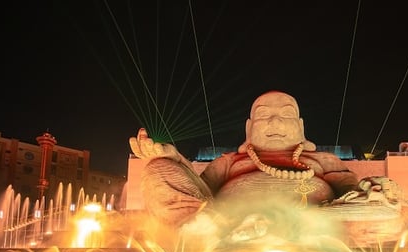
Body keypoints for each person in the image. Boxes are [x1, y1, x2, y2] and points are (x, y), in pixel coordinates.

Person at [129, 91, 361, 223]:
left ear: (300, 126)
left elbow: (356, 195)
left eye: (286, 115)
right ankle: (201, 231)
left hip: (316, 226)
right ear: (249, 128)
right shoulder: (230, 162)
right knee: (158, 168)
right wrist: (175, 159)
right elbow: (199, 191)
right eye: (264, 115)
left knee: (378, 205)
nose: (275, 122)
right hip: (227, 226)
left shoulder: (323, 160)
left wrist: (377, 190)